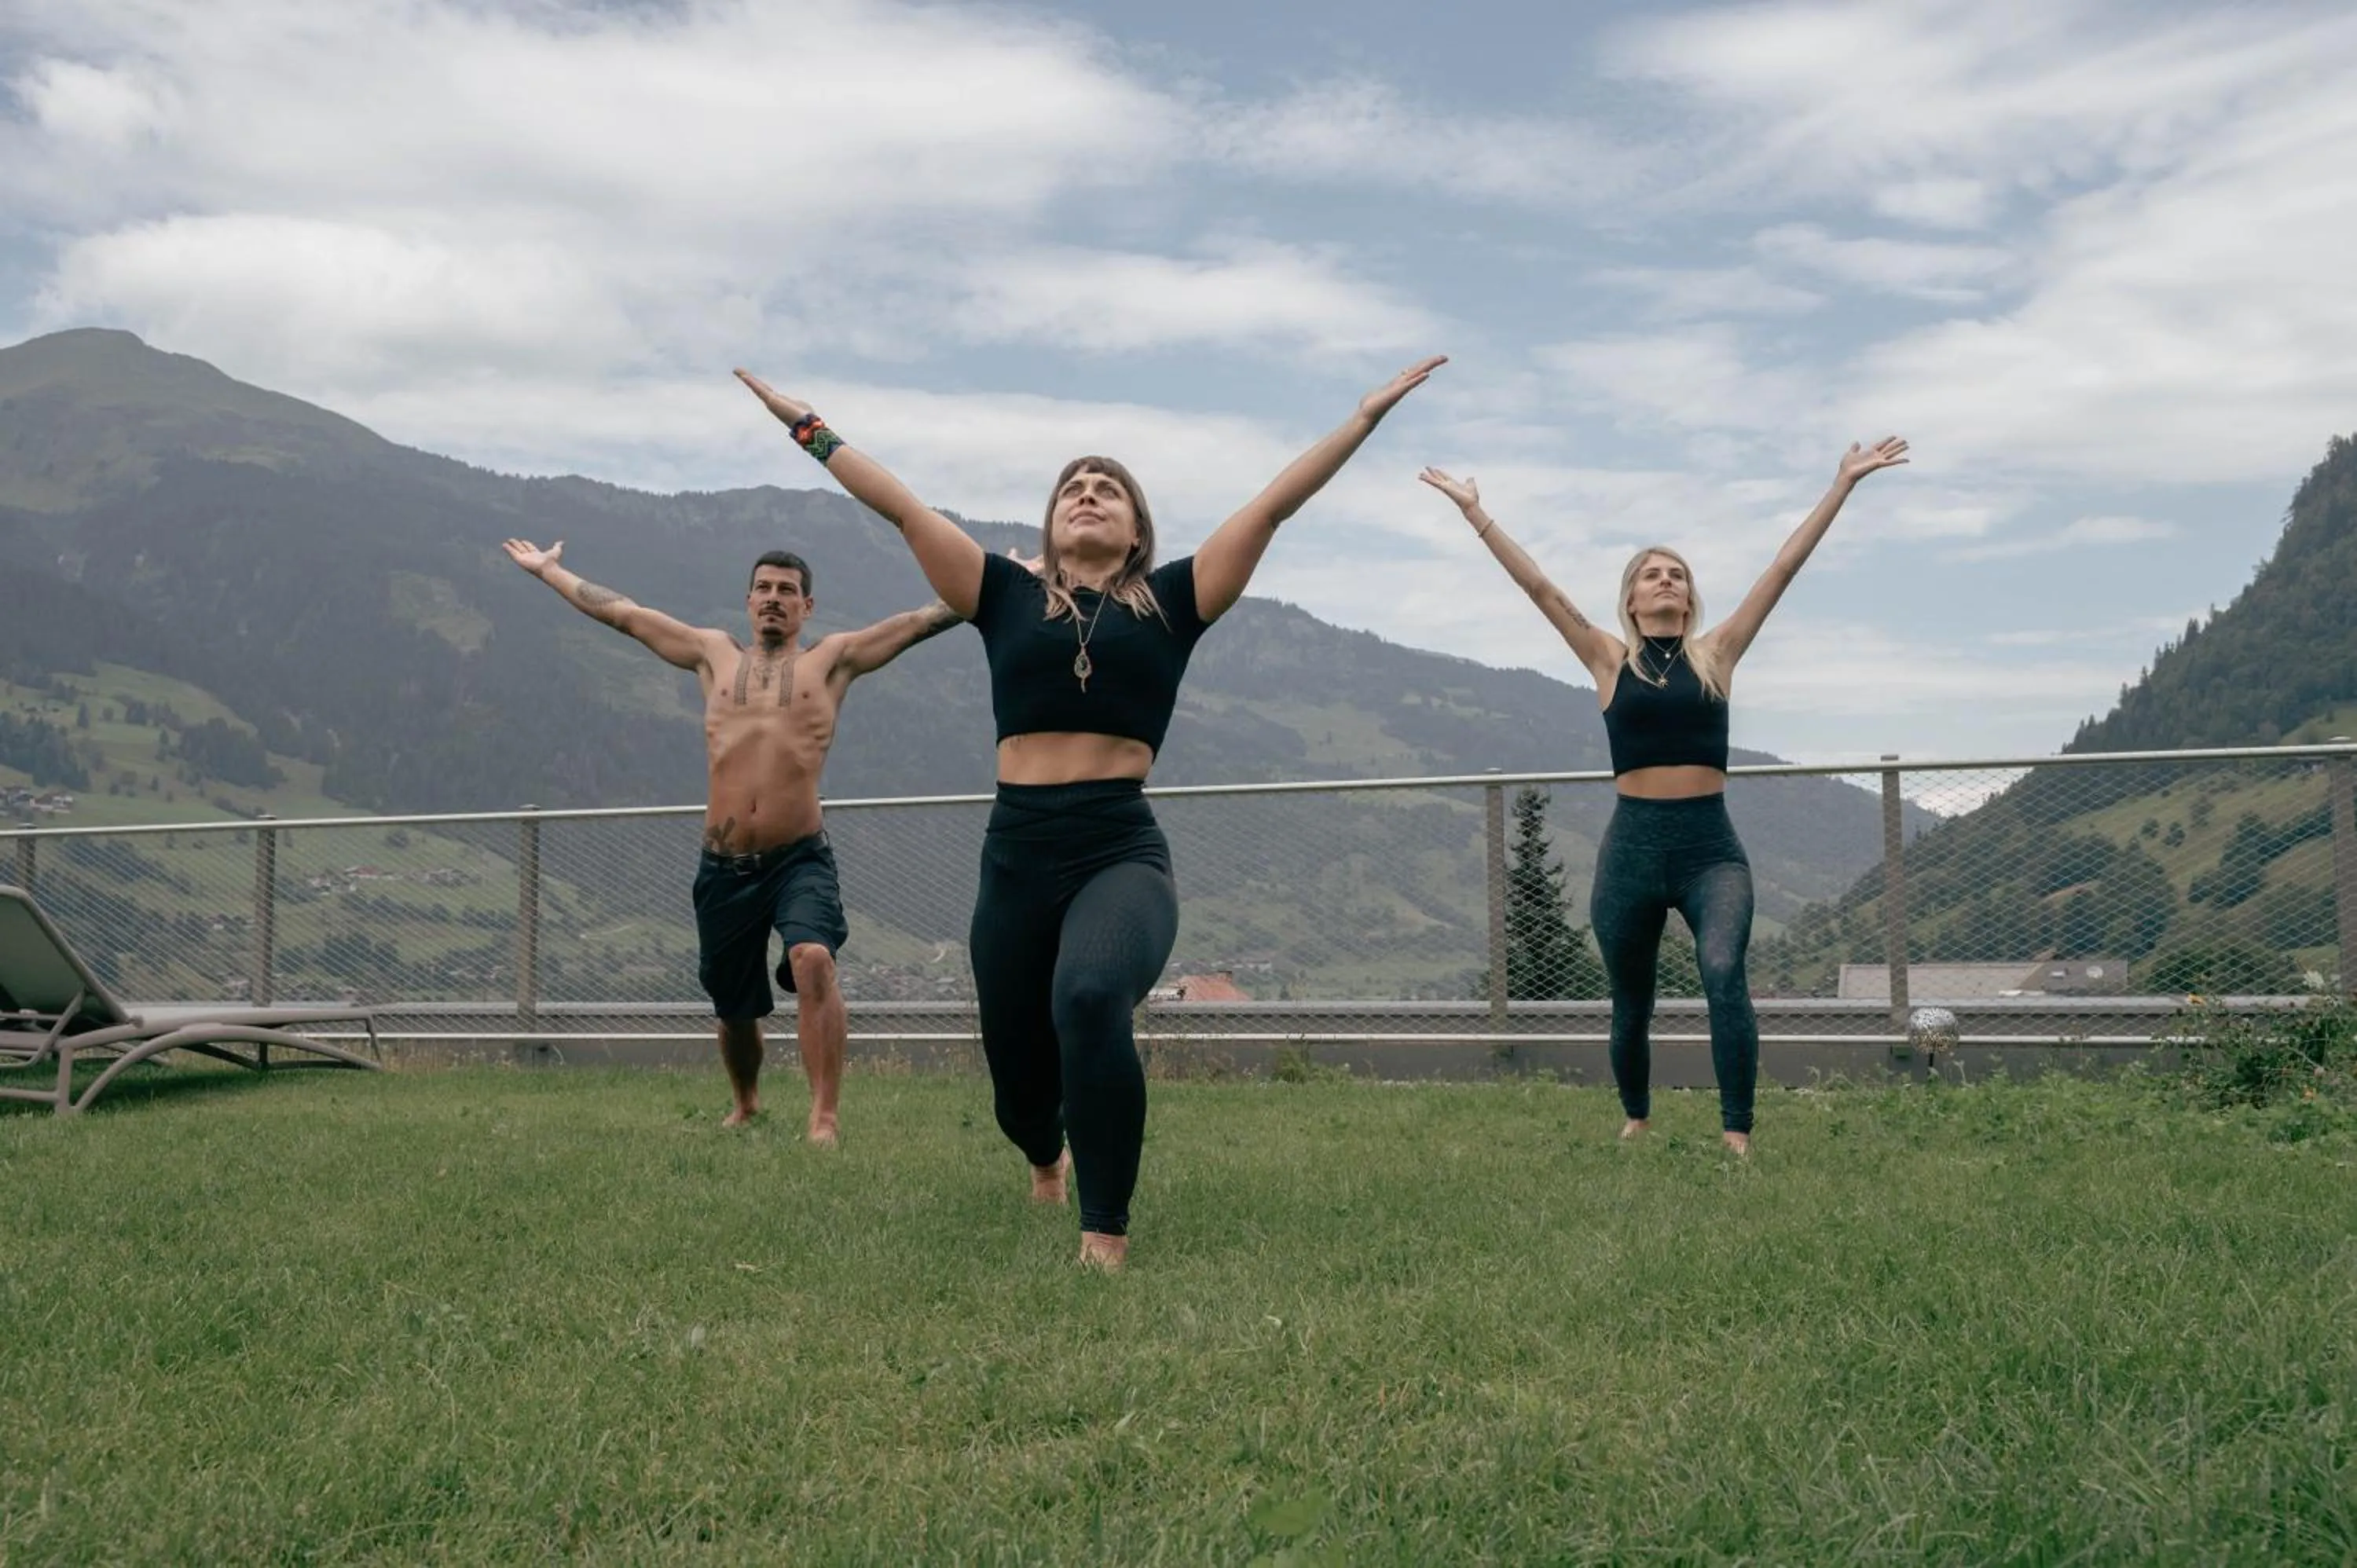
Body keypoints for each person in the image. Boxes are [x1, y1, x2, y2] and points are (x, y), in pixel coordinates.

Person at [736, 358, 1444, 1267]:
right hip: (1016, 853)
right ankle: (1045, 1155)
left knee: (1091, 995)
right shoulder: (999, 594)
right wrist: (808, 426)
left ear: (1138, 526)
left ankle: (1104, 1232)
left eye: (1109, 487)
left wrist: (1362, 418)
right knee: (1019, 1086)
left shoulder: (1176, 602)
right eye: (1074, 485)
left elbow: (1271, 506)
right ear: (1053, 519)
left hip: (1119, 847)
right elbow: (901, 506)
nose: (1090, 493)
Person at [1419, 438, 1909, 1154]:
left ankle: (1737, 1134)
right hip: (1633, 848)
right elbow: (1542, 591)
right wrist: (1476, 513)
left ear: (1689, 593)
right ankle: (1638, 1118)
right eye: (1652, 575)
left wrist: (1842, 485)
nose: (1666, 581)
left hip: (1711, 847)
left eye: (1676, 574)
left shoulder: (1718, 654)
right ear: (1631, 597)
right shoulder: (1607, 658)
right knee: (1632, 1000)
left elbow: (1784, 567)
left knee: (1721, 971)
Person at [502, 538, 961, 1142]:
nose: (774, 599)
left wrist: (1000, 578)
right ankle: (746, 1103)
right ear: (748, 601)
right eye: (765, 589)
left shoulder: (832, 661)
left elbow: (919, 622)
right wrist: (551, 573)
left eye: (787, 591)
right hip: (724, 865)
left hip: (800, 856)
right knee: (733, 1006)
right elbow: (624, 613)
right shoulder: (711, 654)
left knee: (813, 959)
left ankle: (824, 1116)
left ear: (808, 606)